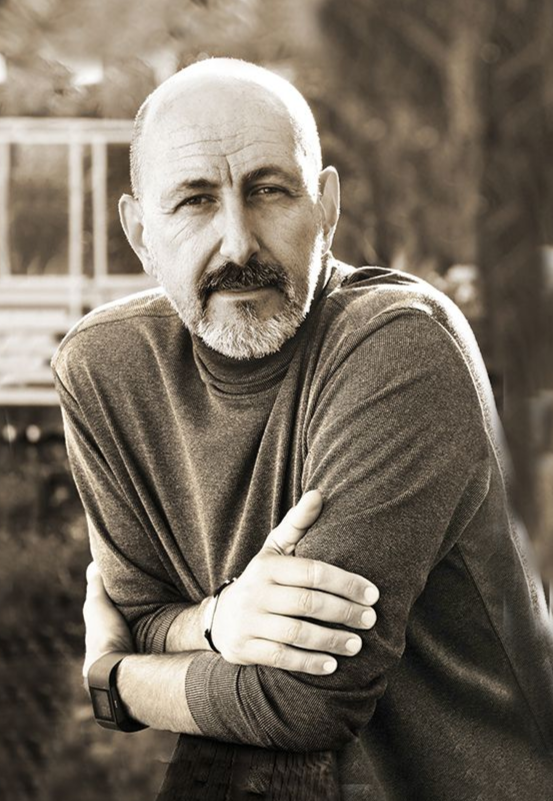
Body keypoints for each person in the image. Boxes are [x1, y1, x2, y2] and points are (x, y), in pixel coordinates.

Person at [52, 58, 553, 800]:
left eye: (268, 191)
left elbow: (307, 698)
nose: (237, 244)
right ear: (139, 232)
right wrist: (223, 622)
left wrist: (115, 680)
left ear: (325, 205)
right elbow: (137, 609)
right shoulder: (104, 368)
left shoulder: (400, 346)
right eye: (193, 201)